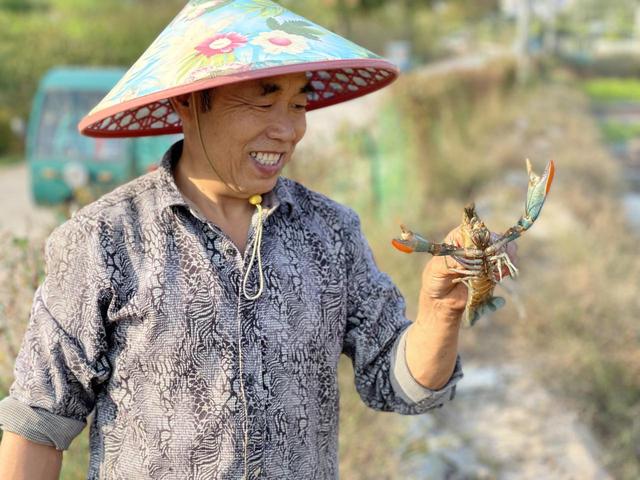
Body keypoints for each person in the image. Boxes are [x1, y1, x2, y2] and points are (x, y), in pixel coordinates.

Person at [0, 1, 513, 478]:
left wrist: (440, 311)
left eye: (298, 104)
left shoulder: (329, 233)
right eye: (264, 102)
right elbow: (40, 424)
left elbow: (399, 385)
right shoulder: (104, 241)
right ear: (188, 102)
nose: (287, 130)